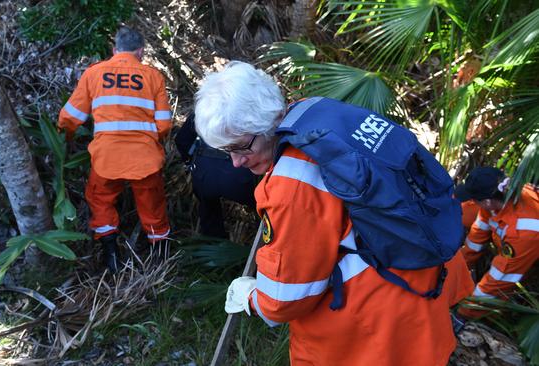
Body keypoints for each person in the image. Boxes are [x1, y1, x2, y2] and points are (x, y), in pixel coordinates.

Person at [194, 61, 474, 365]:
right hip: (424, 275)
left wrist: (252, 298)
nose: (236, 162)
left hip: (379, 316)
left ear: (265, 123)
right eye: (227, 151)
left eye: (241, 147)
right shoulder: (314, 111)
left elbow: (287, 297)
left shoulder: (293, 183)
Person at [57, 26, 172, 271]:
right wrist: (154, 142)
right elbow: (164, 123)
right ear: (141, 51)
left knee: (100, 200)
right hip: (145, 159)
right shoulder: (153, 76)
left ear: (114, 49)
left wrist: (64, 140)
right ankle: (160, 261)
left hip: (105, 158)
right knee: (153, 206)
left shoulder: (94, 73)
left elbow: (70, 117)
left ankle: (112, 257)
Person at [456, 167, 539, 318]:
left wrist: (466, 311)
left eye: (474, 199)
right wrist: (456, 269)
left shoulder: (522, 232)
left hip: (527, 251)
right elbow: (476, 236)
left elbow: (499, 281)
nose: (471, 202)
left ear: (487, 201)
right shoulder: (499, 198)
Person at [174, 112, 257, 238]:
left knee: (208, 211)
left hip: (203, 173)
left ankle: (214, 244)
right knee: (261, 205)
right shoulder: (245, 106)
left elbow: (182, 140)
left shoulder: (203, 109)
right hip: (237, 173)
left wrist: (191, 162)